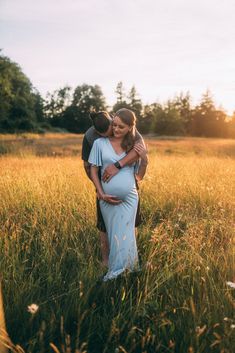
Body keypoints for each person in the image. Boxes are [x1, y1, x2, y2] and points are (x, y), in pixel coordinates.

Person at [88, 108, 148, 281]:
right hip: (107, 199)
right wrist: (101, 194)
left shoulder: (133, 146)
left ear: (130, 128)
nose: (116, 129)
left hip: (130, 197)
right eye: (114, 125)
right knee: (114, 234)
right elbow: (93, 170)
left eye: (121, 127)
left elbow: (139, 176)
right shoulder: (100, 143)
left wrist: (145, 159)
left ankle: (128, 269)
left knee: (128, 234)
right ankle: (117, 271)